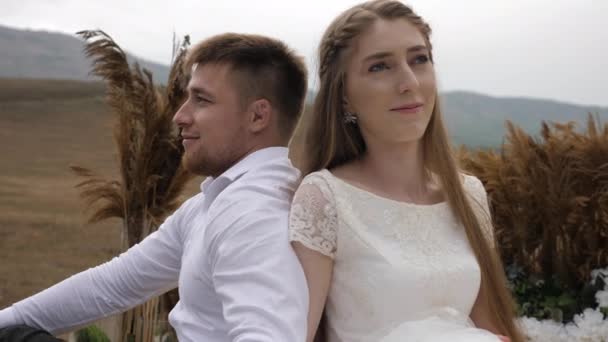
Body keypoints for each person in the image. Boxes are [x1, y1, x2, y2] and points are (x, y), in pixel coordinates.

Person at [0, 33, 310, 342]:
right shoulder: (213, 204)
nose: (180, 116)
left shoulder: (255, 212)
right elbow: (112, 285)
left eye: (201, 100)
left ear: (257, 116)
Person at [288, 1, 525, 341]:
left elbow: (489, 324)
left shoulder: (468, 194)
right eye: (379, 67)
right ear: (343, 98)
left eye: (419, 59)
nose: (409, 82)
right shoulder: (325, 199)